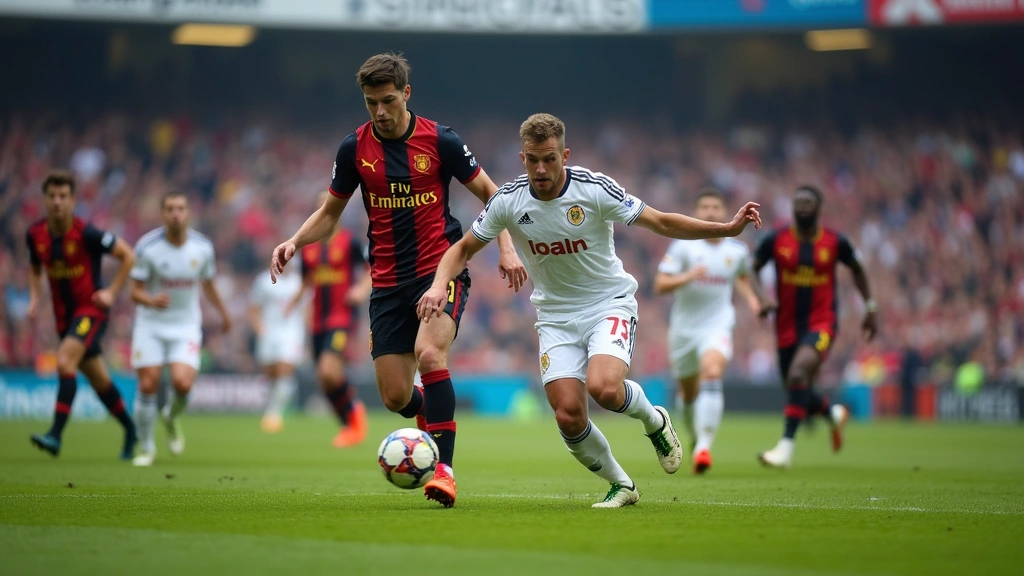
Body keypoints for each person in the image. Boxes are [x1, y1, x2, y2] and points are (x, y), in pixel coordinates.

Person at [417, 113, 761, 507]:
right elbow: (461, 249)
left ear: (565, 154)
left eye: (549, 158)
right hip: (554, 317)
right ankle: (622, 485)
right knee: (567, 415)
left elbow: (662, 222)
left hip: (607, 303)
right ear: (522, 158)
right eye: (533, 160)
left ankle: (655, 421)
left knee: (606, 389)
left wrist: (726, 229)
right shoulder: (509, 201)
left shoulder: (594, 189)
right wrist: (436, 285)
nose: (541, 169)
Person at [270, 53, 527, 508]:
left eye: (388, 100)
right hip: (386, 282)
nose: (380, 111)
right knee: (394, 397)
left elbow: (493, 194)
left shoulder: (441, 140)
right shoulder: (353, 149)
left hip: (439, 268)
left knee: (431, 353)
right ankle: (430, 411)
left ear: (406, 93)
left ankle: (444, 472)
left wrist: (506, 247)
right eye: (371, 103)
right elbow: (330, 216)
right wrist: (294, 241)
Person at [752, 185, 877, 468]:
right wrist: (761, 298)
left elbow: (858, 269)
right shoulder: (777, 239)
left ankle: (785, 448)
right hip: (785, 326)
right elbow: (752, 267)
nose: (803, 206)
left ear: (819, 207)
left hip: (823, 323)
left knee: (798, 374)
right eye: (798, 201)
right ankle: (833, 414)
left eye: (808, 201)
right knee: (797, 387)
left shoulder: (835, 242)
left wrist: (870, 307)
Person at [653, 188, 768, 474]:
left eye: (715, 207)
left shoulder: (736, 251)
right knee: (688, 395)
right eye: (704, 207)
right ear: (696, 212)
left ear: (723, 211)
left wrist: (754, 302)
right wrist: (688, 276)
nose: (710, 212)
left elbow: (740, 277)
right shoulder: (684, 247)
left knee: (713, 372)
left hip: (717, 324)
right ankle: (695, 437)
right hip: (684, 330)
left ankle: (704, 447)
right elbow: (660, 285)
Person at [26, 170, 138, 459]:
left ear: (73, 200)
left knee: (64, 361)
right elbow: (35, 266)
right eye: (52, 196)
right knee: (99, 380)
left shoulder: (87, 233)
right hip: (64, 317)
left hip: (91, 310)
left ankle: (55, 435)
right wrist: (36, 299)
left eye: (63, 196)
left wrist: (112, 292)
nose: (57, 202)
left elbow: (128, 254)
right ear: (45, 199)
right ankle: (130, 429)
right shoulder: (35, 235)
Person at [129, 192, 231, 467]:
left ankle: (171, 417)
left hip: (185, 325)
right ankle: (147, 448)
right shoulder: (146, 247)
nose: (176, 213)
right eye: (170, 209)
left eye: (181, 208)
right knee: (148, 383)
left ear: (188, 213)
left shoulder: (202, 248)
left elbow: (208, 285)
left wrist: (223, 314)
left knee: (183, 383)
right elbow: (134, 291)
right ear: (162, 214)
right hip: (150, 324)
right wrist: (151, 300)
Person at [284, 191, 373, 447]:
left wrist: (360, 289)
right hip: (317, 321)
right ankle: (348, 424)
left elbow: (372, 268)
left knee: (328, 369)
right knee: (324, 378)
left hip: (342, 317)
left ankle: (355, 415)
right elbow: (305, 284)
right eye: (319, 205)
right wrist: (294, 306)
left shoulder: (350, 242)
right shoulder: (308, 249)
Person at [248, 263, 305, 433]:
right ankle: (277, 404)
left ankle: (274, 413)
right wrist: (258, 327)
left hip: (292, 331)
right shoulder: (264, 281)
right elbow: (253, 307)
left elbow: (308, 307)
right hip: (269, 331)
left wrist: (306, 331)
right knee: (271, 373)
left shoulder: (300, 282)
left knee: (284, 368)